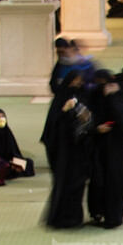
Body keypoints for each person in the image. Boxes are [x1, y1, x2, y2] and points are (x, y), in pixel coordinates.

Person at [43, 70, 94, 229]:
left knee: (78, 186)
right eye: (75, 83)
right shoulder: (60, 100)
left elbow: (90, 121)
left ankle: (75, 218)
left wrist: (86, 117)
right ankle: (61, 218)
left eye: (80, 83)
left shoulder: (83, 97)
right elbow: (52, 128)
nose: (77, 86)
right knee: (64, 185)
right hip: (64, 153)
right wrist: (64, 111)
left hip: (79, 151)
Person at [86, 70, 123, 229]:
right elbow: (88, 117)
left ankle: (113, 216)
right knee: (98, 180)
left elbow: (121, 119)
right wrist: (96, 129)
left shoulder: (119, 97)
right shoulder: (95, 96)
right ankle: (98, 211)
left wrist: (111, 97)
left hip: (116, 146)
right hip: (99, 145)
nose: (102, 87)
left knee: (115, 180)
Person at [0, 108, 35, 178]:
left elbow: (14, 152)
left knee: (28, 163)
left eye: (3, 116)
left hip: (8, 162)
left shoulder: (7, 133)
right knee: (0, 168)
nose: (1, 119)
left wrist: (15, 161)